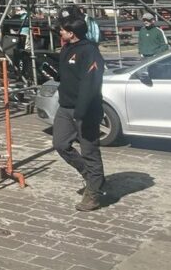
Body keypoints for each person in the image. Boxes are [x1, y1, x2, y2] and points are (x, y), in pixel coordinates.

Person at [53, 15, 107, 211]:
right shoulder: (66, 48)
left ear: (71, 33)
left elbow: (90, 83)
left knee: (89, 151)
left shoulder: (89, 51)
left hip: (86, 110)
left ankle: (94, 193)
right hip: (65, 107)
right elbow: (68, 75)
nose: (60, 32)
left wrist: (82, 111)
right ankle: (90, 175)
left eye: (62, 30)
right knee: (60, 144)